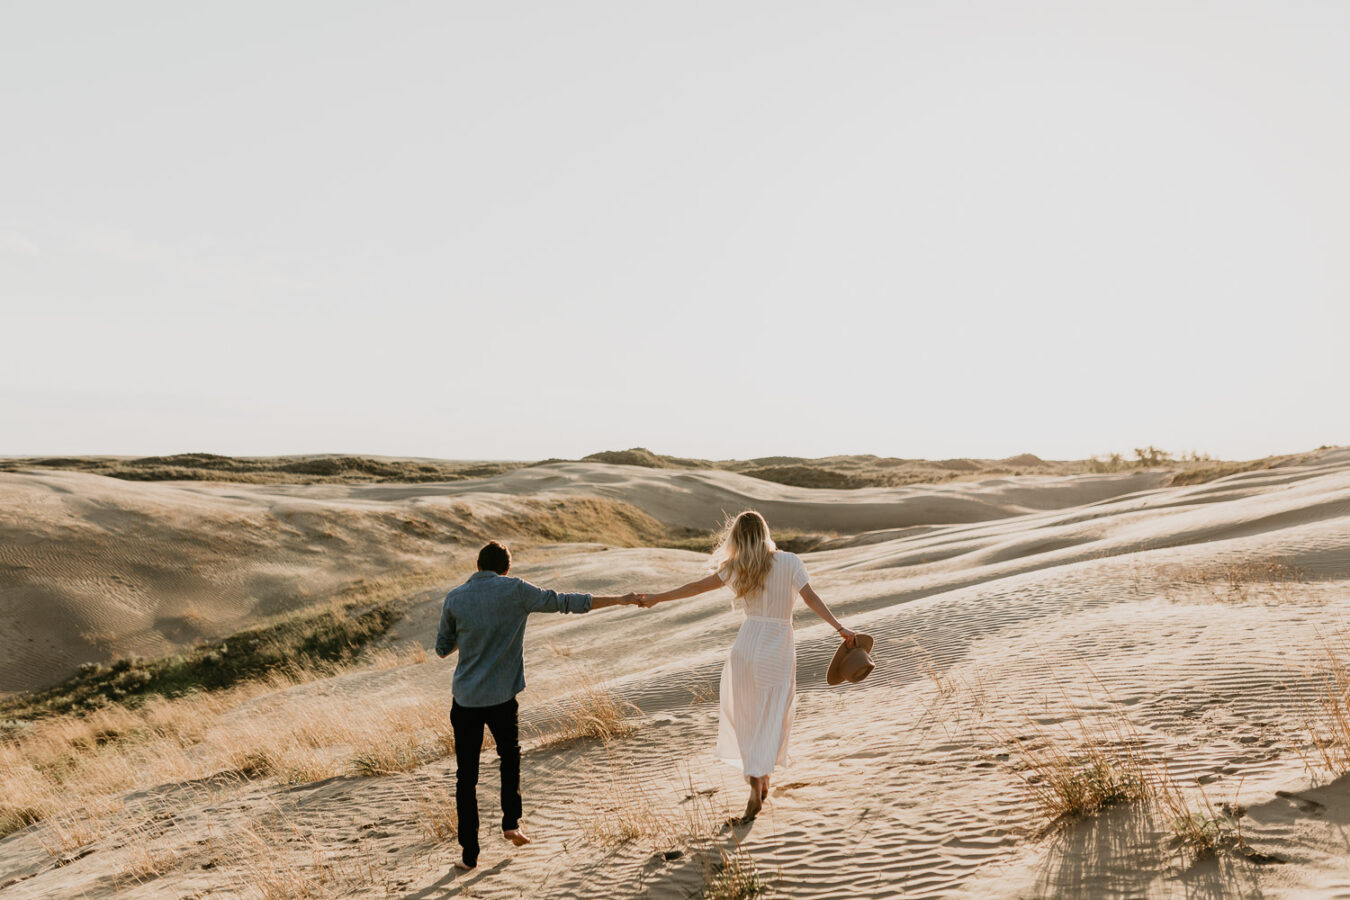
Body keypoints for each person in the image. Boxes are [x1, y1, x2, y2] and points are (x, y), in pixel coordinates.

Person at [435, 540, 641, 871]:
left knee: (466, 777)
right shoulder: (516, 590)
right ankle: (511, 823)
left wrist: (472, 630)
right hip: (502, 697)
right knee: (510, 757)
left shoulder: (455, 597)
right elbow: (565, 602)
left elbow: (442, 648)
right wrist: (619, 599)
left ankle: (469, 855)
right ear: (506, 568)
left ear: (478, 565)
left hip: (466, 700)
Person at [638, 510, 857, 821]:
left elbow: (693, 588)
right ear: (765, 532)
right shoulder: (790, 562)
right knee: (772, 712)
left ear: (737, 538)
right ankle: (759, 775)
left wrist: (657, 597)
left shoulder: (736, 567)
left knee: (746, 713)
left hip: (746, 643)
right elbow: (811, 598)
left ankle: (756, 777)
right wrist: (840, 628)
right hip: (777, 643)